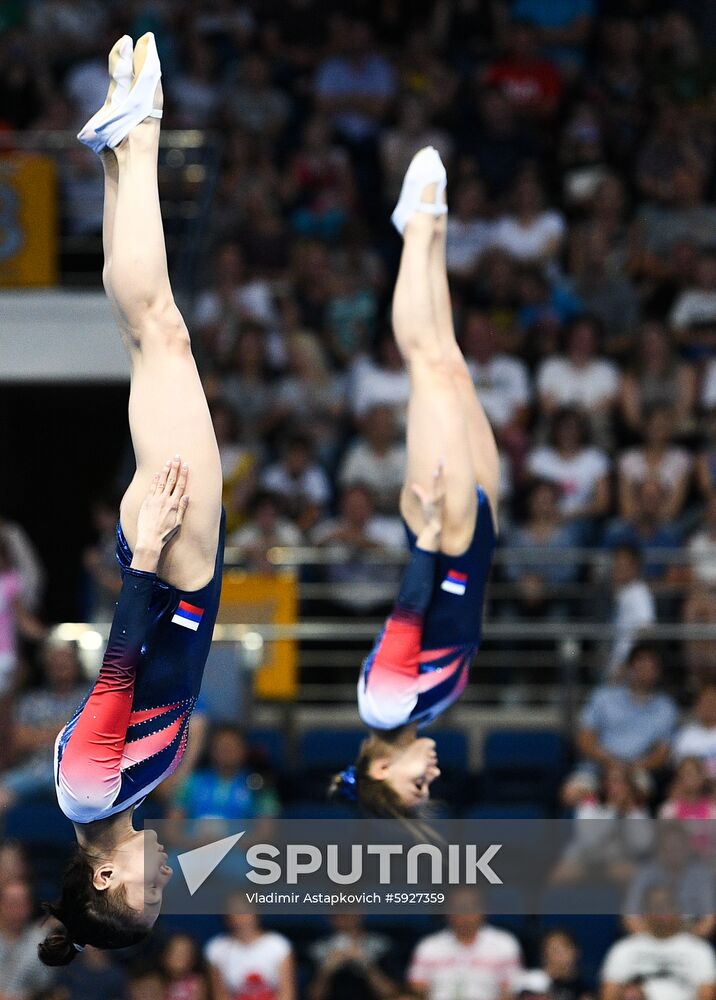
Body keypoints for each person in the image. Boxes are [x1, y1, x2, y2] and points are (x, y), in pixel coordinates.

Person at [38, 34, 225, 963]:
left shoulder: (85, 794)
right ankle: (119, 145)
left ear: (106, 879)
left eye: (150, 895)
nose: (165, 880)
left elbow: (115, 670)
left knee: (163, 334)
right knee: (145, 335)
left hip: (173, 563)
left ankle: (140, 135)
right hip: (174, 572)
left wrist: (148, 555)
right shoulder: (117, 799)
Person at [330, 148, 499, 818]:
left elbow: (406, 613)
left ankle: (422, 225)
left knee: (426, 366)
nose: (429, 776)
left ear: (378, 764)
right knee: (453, 367)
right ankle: (424, 230)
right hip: (474, 536)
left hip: (445, 532)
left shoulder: (386, 703)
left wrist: (428, 539)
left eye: (414, 784)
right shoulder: (425, 707)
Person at [602, 885, 716, 1000]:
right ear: (645, 911)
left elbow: (707, 995)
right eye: (657, 906)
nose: (662, 911)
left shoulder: (699, 949)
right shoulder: (624, 949)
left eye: (668, 905)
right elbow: (609, 995)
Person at [407, 887, 522, 1000]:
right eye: (458, 907)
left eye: (470, 907)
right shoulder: (429, 946)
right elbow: (417, 989)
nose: (464, 914)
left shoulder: (504, 944)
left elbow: (511, 991)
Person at [204, 900, 294, 1000]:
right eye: (235, 911)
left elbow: (286, 994)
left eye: (245, 910)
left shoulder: (277, 945)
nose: (241, 916)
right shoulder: (216, 948)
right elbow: (220, 995)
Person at [307, 913, 398, 1000]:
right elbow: (312, 997)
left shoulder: (382, 946)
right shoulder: (318, 950)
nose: (344, 915)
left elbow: (393, 994)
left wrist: (367, 966)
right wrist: (326, 971)